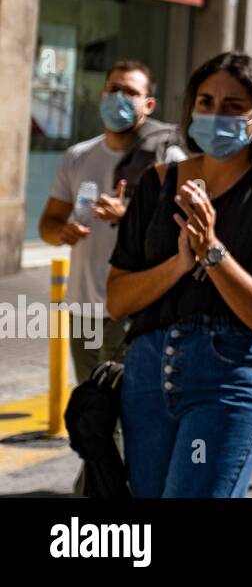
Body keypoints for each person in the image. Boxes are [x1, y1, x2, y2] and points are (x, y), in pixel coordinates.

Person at [106, 52, 252, 497]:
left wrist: (212, 251)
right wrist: (179, 263)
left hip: (229, 377)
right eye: (206, 101)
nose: (216, 114)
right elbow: (118, 299)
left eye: (233, 106)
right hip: (147, 373)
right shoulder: (156, 184)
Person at [39, 60, 187, 495]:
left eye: (128, 92)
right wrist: (59, 232)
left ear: (149, 103)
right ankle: (100, 486)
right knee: (90, 411)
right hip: (83, 306)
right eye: (111, 89)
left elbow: (183, 227)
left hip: (133, 308)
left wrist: (130, 214)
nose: (117, 99)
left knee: (122, 411)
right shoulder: (79, 156)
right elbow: (48, 222)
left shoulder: (168, 158)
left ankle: (96, 492)